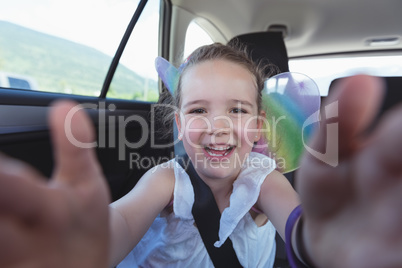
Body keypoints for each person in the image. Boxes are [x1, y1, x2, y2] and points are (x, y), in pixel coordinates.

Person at [0, 42, 401, 268]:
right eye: (198, 110)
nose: (218, 125)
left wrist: (319, 241)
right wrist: (86, 241)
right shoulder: (166, 181)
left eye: (237, 110)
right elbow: (121, 219)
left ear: (259, 125)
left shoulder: (263, 179)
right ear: (178, 125)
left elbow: (297, 224)